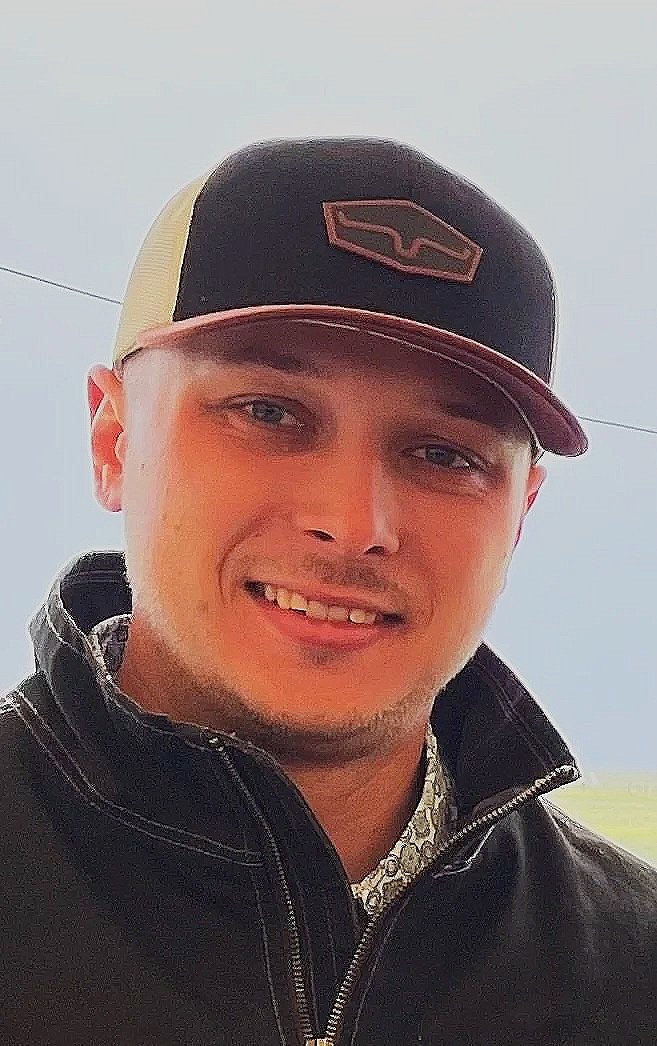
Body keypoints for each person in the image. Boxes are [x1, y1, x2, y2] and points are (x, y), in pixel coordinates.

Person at [2, 137, 655, 1046]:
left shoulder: (629, 966)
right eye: (268, 413)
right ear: (113, 442)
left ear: (517, 518)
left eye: (444, 455)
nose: (354, 523)